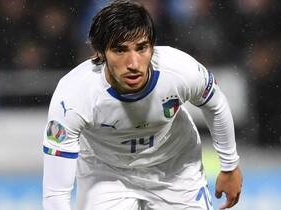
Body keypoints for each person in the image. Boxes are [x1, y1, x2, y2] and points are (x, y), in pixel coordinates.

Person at [42, 1, 242, 210]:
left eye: (142, 48)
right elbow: (56, 192)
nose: (134, 63)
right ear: (99, 53)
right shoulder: (73, 96)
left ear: (152, 47)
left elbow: (216, 105)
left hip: (175, 168)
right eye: (120, 50)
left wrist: (229, 167)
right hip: (106, 173)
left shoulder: (181, 71)